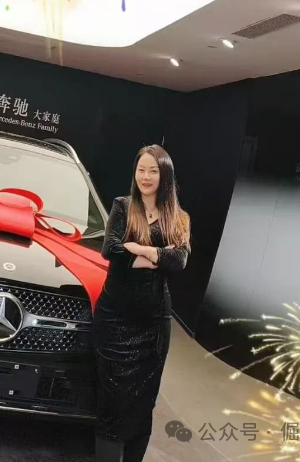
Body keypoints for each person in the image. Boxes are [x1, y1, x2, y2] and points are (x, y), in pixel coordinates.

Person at [91, 144, 191, 462]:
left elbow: (179, 260)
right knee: (112, 401)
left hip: (153, 325)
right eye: (141, 169)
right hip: (114, 319)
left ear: (165, 175)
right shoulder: (123, 206)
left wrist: (144, 251)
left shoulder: (179, 218)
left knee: (143, 403)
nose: (145, 176)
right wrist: (160, 255)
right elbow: (110, 250)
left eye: (153, 171)